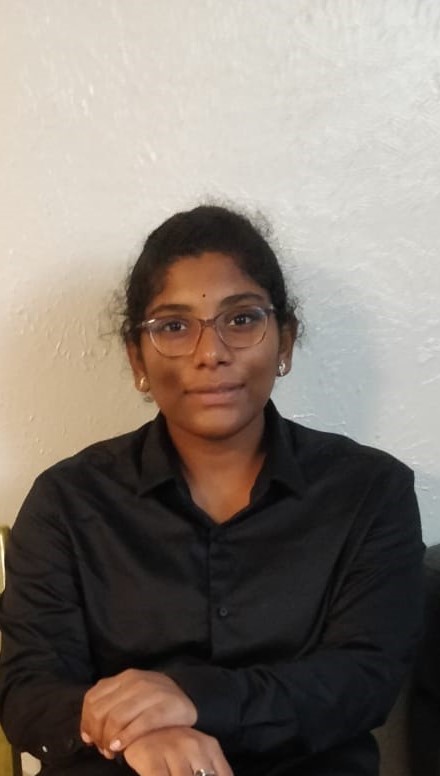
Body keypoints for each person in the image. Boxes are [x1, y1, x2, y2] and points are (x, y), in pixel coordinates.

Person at [0, 205, 424, 776]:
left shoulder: (370, 492)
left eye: (242, 319)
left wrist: (192, 700)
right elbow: (28, 691)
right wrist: (140, 736)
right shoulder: (68, 502)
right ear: (136, 357)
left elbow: (364, 679)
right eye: (174, 327)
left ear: (285, 342)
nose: (211, 352)